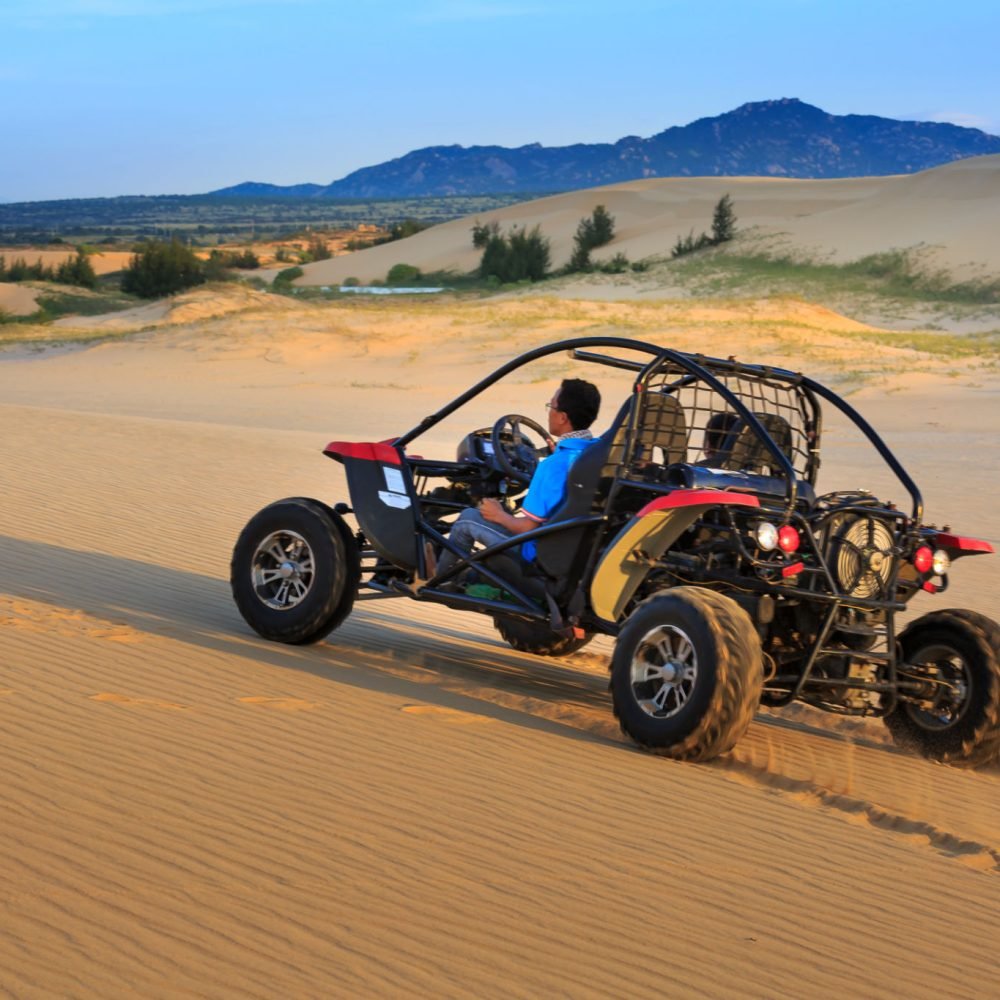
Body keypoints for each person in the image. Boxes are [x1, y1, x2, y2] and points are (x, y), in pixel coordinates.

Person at [433, 378, 601, 584]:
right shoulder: (597, 452)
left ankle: (439, 581)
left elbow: (527, 528)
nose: (549, 411)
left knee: (468, 518)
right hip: (574, 548)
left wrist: (499, 515)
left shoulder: (553, 465)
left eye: (551, 406)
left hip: (539, 554)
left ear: (563, 418)